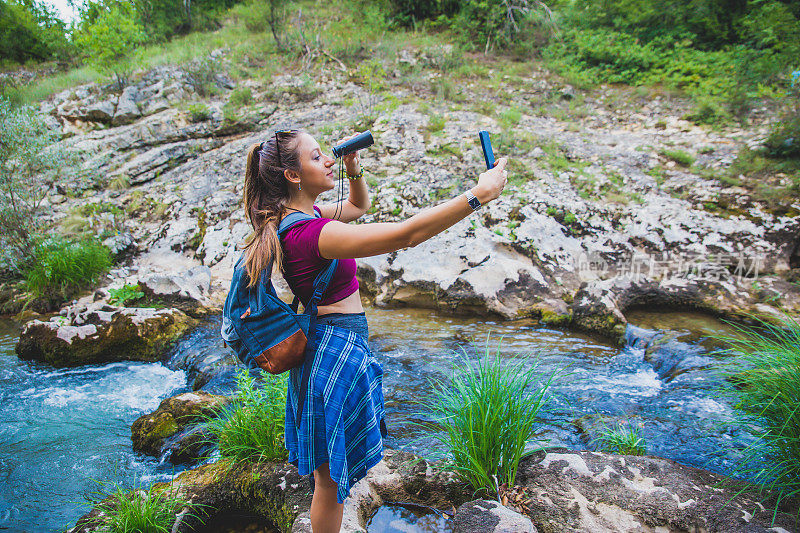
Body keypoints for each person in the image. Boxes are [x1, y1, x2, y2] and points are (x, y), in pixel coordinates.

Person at [241, 128, 507, 532]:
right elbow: (408, 234)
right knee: (329, 484)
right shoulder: (310, 233)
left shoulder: (301, 219)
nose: (328, 159)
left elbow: (356, 206)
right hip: (334, 349)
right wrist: (478, 195)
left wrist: (353, 168)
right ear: (293, 175)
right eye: (317, 157)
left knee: (329, 479)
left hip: (329, 344)